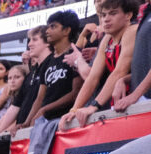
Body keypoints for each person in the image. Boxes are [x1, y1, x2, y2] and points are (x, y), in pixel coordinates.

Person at [59, 0, 138, 130]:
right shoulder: (107, 39)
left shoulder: (132, 30)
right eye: (103, 15)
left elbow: (120, 72)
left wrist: (94, 106)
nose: (106, 19)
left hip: (139, 100)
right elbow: (92, 78)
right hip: (120, 102)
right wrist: (74, 109)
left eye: (113, 14)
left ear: (128, 15)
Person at [23, 10, 83, 126]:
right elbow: (40, 98)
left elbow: (76, 93)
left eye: (53, 26)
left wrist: (45, 109)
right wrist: (27, 122)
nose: (47, 31)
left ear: (66, 30)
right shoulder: (47, 62)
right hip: (45, 121)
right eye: (48, 26)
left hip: (68, 121)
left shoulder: (76, 55)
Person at [114, 4, 151, 111]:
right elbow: (144, 66)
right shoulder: (147, 13)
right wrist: (124, 79)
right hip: (143, 102)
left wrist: (135, 95)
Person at [0, 64, 28, 135]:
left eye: (17, 77)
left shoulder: (25, 96)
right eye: (10, 78)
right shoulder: (14, 96)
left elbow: (18, 119)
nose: (12, 81)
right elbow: (5, 118)